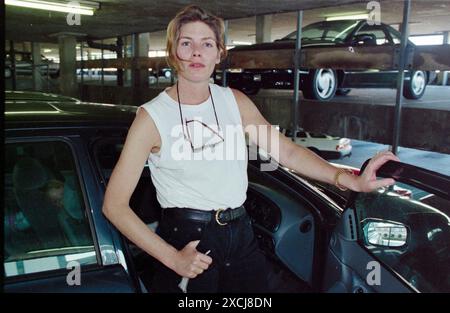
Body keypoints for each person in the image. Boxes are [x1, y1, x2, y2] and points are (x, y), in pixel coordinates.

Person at [102, 5, 400, 293]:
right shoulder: (152, 117)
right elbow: (114, 205)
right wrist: (172, 258)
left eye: (207, 44)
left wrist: (347, 179)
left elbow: (288, 152)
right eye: (186, 43)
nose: (196, 52)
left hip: (241, 233)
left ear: (219, 53)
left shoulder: (235, 102)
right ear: (173, 52)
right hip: (187, 241)